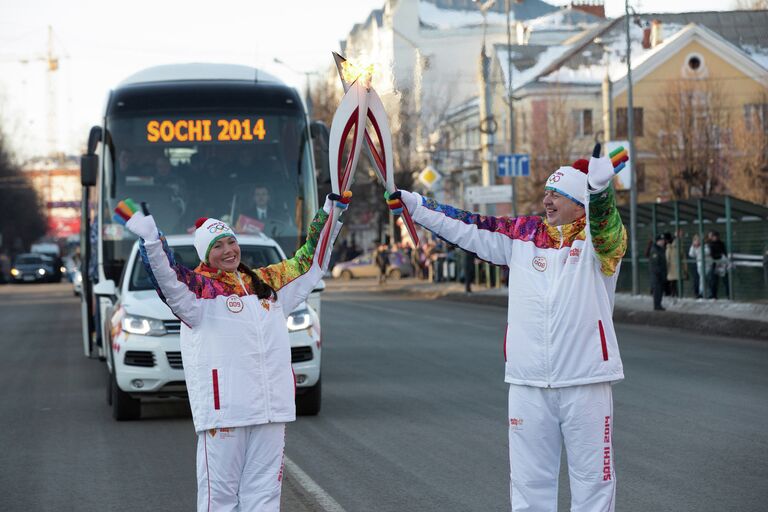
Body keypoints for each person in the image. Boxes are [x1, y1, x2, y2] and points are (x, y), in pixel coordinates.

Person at [387, 144, 626, 512]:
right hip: (528, 382)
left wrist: (601, 193)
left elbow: (608, 230)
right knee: (529, 484)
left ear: (580, 202)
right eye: (546, 192)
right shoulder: (522, 236)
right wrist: (416, 205)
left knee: (593, 483)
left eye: (557, 195)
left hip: (586, 381)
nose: (547, 200)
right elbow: (467, 225)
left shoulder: (597, 243)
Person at [114, 192, 350, 511]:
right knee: (219, 498)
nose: (228, 251)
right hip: (225, 411)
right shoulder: (198, 292)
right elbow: (169, 278)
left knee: (264, 494)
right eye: (218, 246)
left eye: (230, 242)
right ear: (206, 254)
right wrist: (153, 242)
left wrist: (330, 213)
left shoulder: (267, 285)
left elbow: (310, 262)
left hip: (270, 409)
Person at [707, 231, 728, 299]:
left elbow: (724, 252)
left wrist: (722, 256)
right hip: (714, 264)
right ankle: (713, 295)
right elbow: (712, 254)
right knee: (713, 281)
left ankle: (728, 295)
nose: (715, 238)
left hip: (721, 263)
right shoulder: (710, 244)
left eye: (716, 236)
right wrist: (719, 255)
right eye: (714, 236)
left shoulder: (721, 243)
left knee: (725, 280)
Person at [649, 234, 668, 311]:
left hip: (661, 273)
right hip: (656, 274)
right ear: (658, 241)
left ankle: (658, 305)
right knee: (657, 290)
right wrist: (659, 273)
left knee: (660, 290)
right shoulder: (655, 250)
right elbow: (655, 264)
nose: (663, 242)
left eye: (663, 240)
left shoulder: (660, 249)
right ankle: (657, 305)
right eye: (661, 240)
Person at [688, 234, 708, 299]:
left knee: (703, 279)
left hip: (706, 265)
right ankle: (700, 293)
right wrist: (693, 246)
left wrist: (699, 247)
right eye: (695, 239)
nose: (696, 241)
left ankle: (702, 293)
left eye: (698, 240)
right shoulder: (694, 246)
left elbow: (706, 252)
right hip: (699, 265)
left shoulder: (705, 246)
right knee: (701, 279)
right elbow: (691, 254)